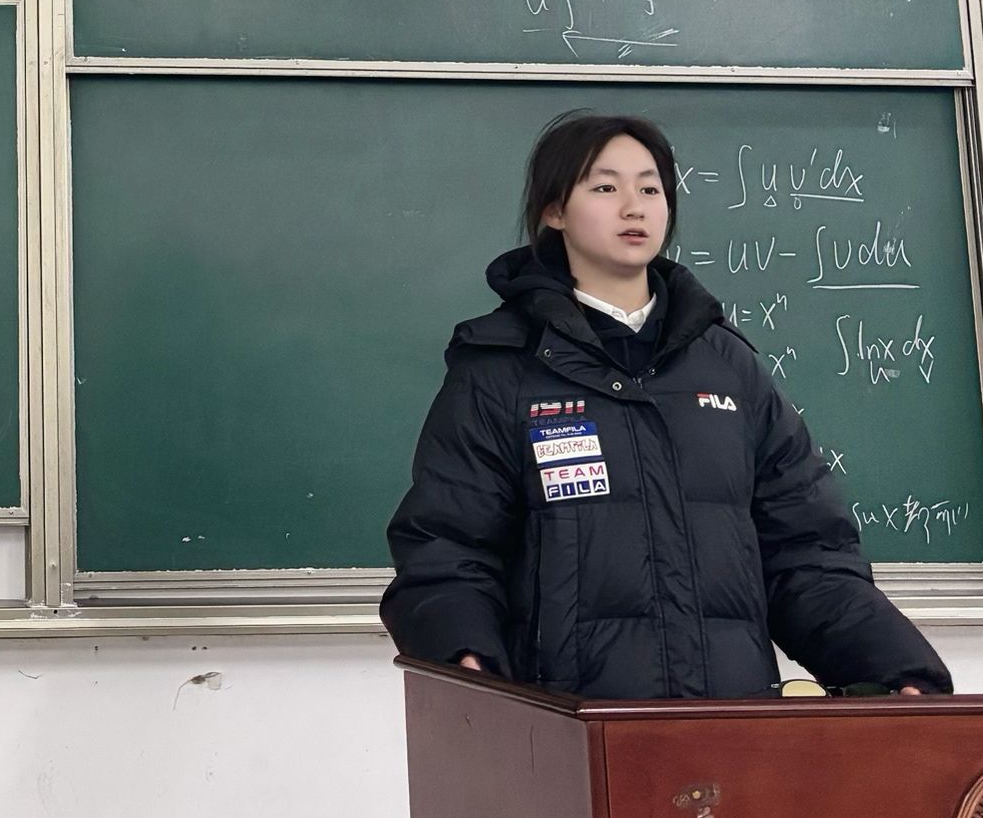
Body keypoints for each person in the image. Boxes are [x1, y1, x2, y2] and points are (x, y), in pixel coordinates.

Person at [380, 111, 951, 700]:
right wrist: (462, 658)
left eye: (650, 190)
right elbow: (448, 550)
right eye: (606, 188)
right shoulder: (501, 369)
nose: (635, 208)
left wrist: (898, 670)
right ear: (554, 212)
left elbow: (807, 555)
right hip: (569, 726)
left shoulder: (728, 367)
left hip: (731, 723)